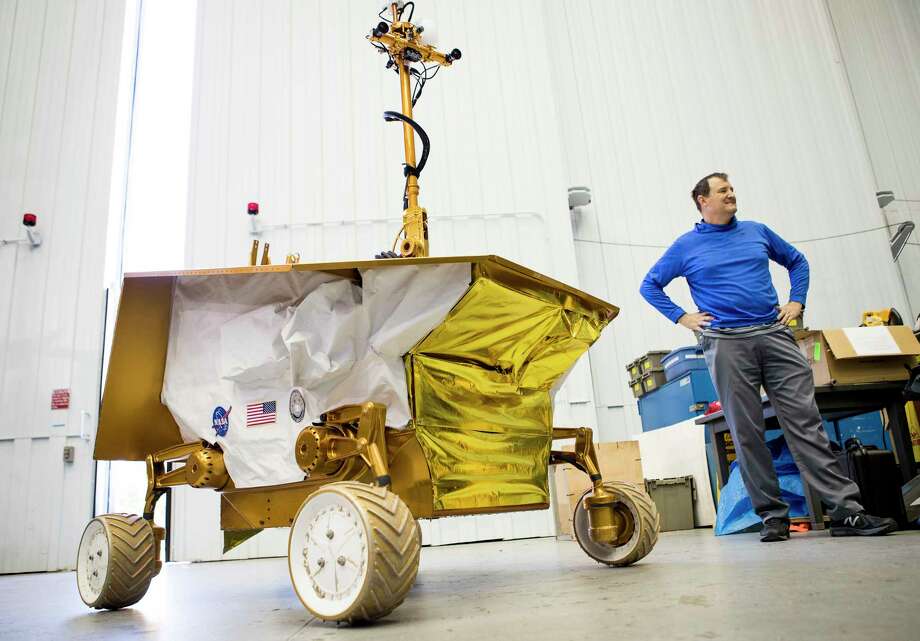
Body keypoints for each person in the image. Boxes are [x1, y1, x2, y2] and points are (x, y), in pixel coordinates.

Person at [639, 172, 898, 542]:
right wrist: (682, 317)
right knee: (747, 433)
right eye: (722, 191)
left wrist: (797, 300)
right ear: (702, 201)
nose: (731, 194)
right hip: (726, 344)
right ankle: (772, 517)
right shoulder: (685, 246)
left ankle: (847, 512)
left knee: (806, 425)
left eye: (732, 189)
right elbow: (650, 285)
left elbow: (798, 261)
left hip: (774, 337)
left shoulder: (757, 231)